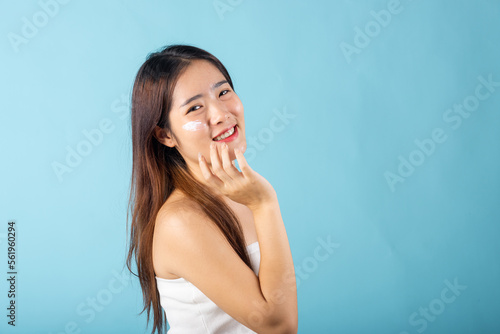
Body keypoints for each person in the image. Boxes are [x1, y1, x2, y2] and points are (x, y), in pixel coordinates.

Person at [126, 44, 297, 334]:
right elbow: (279, 325)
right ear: (165, 135)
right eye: (195, 107)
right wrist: (266, 205)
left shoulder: (242, 192)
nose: (220, 114)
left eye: (223, 92)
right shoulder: (181, 221)